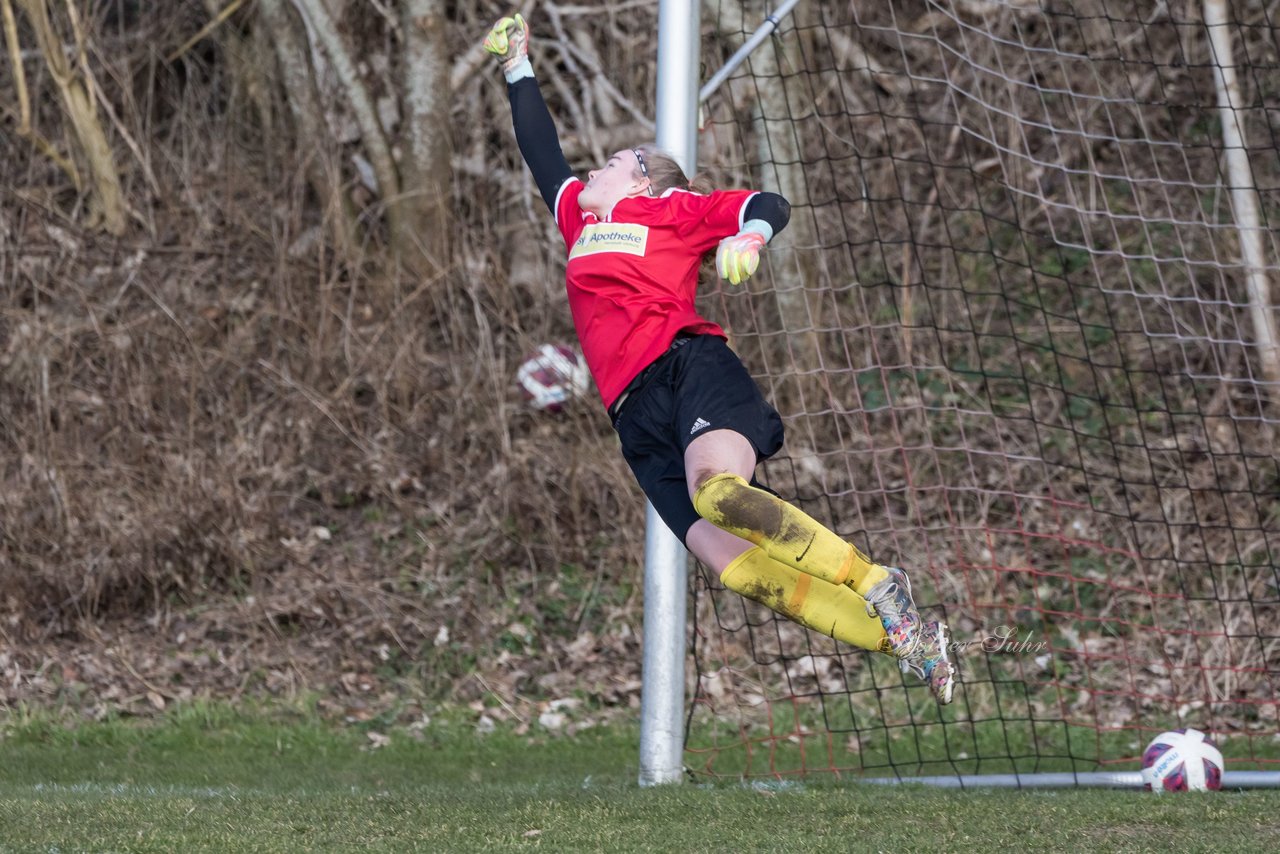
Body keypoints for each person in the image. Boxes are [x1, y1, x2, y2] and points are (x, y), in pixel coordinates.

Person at [484, 14, 954, 704]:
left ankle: (875, 581)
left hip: (689, 368)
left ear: (644, 180)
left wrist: (753, 237)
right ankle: (907, 639)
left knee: (719, 495)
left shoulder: (670, 210)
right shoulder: (579, 222)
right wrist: (517, 67)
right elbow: (542, 153)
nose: (595, 167)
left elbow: (767, 201)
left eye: (614, 161)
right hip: (633, 419)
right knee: (730, 563)